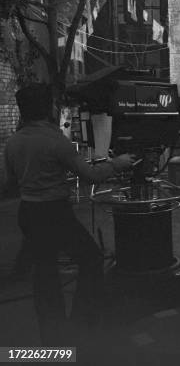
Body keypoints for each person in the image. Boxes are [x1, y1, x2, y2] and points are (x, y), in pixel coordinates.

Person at [2, 83, 135, 345]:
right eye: (52, 104)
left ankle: (52, 337)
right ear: (45, 108)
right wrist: (117, 164)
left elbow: (10, 183)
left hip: (28, 212)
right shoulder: (55, 141)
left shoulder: (14, 142)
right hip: (54, 212)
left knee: (44, 271)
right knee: (91, 258)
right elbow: (91, 175)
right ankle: (81, 323)